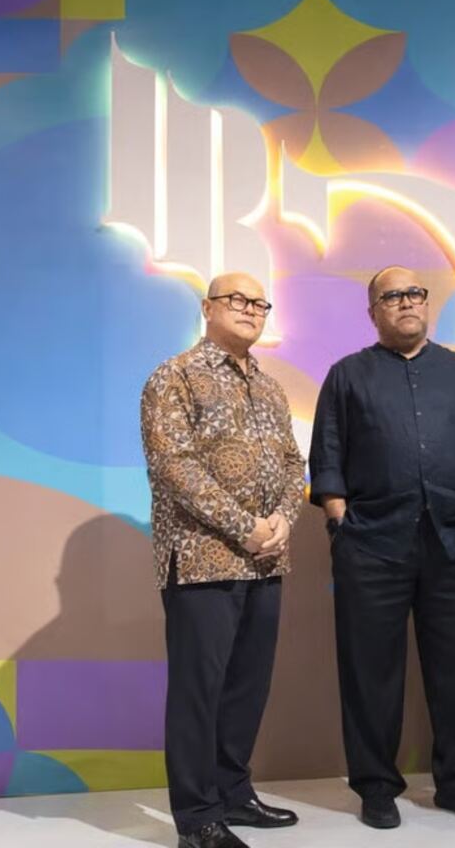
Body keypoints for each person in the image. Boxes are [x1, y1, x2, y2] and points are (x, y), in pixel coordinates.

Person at [309, 265, 455, 829]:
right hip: (371, 544)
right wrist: (339, 520)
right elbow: (327, 453)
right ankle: (376, 788)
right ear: (373, 311)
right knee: (370, 674)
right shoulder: (347, 375)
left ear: (427, 304)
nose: (406, 302)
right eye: (392, 295)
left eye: (415, 293)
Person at [140, 273, 306, 848]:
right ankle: (197, 819)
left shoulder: (270, 387)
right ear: (208, 308)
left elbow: (293, 463)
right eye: (238, 299)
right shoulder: (175, 376)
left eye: (260, 303)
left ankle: (234, 794)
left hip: (266, 562)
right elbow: (174, 466)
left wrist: (283, 519)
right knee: (199, 691)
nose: (251, 309)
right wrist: (246, 527)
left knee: (246, 688)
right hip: (201, 559)